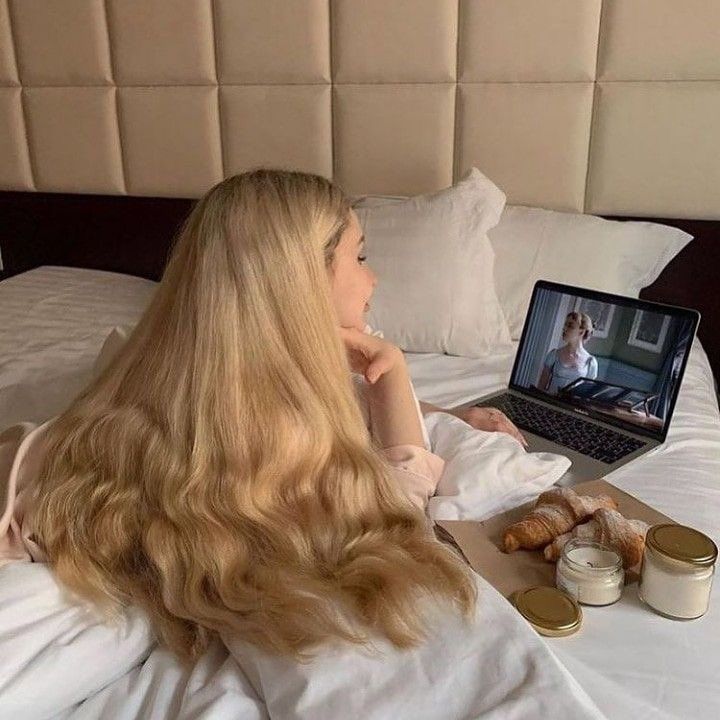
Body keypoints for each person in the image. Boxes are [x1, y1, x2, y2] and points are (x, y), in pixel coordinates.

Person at [1, 169, 492, 662]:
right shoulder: (288, 434)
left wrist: (440, 409)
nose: (373, 277)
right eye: (360, 257)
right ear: (299, 281)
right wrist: (394, 380)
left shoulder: (152, 369)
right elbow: (400, 511)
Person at [538, 311, 598, 394]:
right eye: (565, 325)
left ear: (581, 332)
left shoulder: (590, 362)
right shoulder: (554, 355)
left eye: (570, 326)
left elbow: (586, 395)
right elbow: (540, 388)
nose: (564, 328)